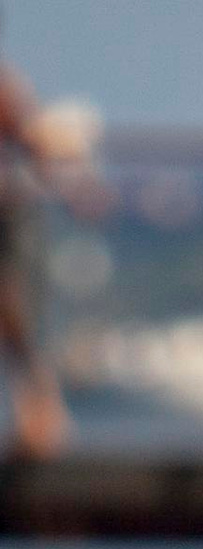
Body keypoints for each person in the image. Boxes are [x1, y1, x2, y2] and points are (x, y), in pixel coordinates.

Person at [0, 18, 69, 461]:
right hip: (13, 213)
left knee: (17, 318)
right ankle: (39, 422)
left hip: (10, 215)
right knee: (17, 321)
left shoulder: (5, 86)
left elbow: (32, 140)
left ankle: (41, 424)